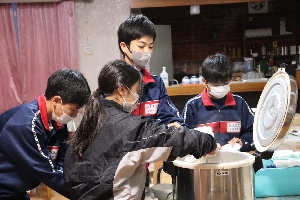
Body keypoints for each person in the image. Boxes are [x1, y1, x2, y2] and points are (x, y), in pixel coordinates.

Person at [63, 59, 217, 200]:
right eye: (136, 91)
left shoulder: (90, 120)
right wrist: (208, 141)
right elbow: (171, 140)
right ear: (121, 90)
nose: (138, 97)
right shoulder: (128, 127)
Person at [117, 14, 183, 195]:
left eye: (151, 46)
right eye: (141, 46)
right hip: (115, 167)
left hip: (142, 164)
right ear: (124, 46)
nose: (147, 51)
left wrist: (176, 125)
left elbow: (169, 116)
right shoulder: (112, 83)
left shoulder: (155, 83)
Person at [0, 69, 91, 199]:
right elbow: (48, 172)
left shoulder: (58, 121)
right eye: (73, 109)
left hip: (17, 189)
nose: (75, 115)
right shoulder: (25, 125)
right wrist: (87, 195)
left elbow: (62, 160)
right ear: (56, 101)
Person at [182, 53, 256, 153]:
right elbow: (184, 138)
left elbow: (254, 131)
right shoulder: (192, 106)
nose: (221, 88)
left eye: (225, 84)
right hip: (204, 163)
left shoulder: (240, 103)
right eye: (216, 85)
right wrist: (205, 145)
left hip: (234, 160)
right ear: (204, 81)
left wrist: (243, 141)